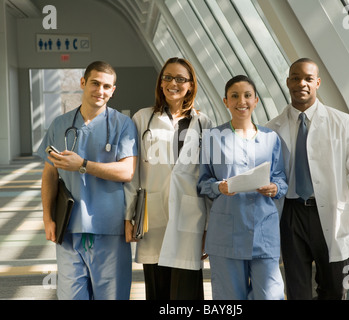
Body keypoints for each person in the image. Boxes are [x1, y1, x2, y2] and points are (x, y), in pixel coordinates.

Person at [265, 58, 349, 300]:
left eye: (307, 78)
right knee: (297, 290)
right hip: (290, 215)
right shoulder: (272, 128)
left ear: (317, 82)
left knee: (336, 288)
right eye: (295, 78)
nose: (301, 83)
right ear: (287, 82)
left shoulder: (342, 122)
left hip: (331, 214)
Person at [38, 61, 138, 300]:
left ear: (113, 90)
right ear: (83, 83)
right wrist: (47, 217)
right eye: (95, 83)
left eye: (106, 86)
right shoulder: (60, 125)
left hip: (109, 230)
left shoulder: (123, 124)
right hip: (69, 229)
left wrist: (83, 165)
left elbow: (127, 171)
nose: (100, 91)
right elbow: (50, 173)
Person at [124, 57, 213, 300]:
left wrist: (208, 226)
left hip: (190, 215)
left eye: (181, 79)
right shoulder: (142, 119)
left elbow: (207, 176)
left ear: (191, 85)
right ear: (160, 83)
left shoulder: (202, 122)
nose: (173, 83)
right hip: (153, 216)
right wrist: (128, 217)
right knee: (157, 288)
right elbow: (133, 174)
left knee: (188, 292)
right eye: (168, 77)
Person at [197, 75, 288, 300]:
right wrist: (220, 187)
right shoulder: (212, 138)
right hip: (226, 234)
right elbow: (202, 183)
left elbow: (281, 179)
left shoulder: (271, 138)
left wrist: (275, 188)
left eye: (247, 95)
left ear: (256, 100)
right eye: (235, 96)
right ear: (226, 101)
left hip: (264, 232)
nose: (242, 101)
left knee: (270, 295)